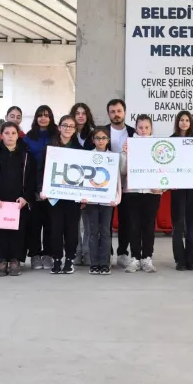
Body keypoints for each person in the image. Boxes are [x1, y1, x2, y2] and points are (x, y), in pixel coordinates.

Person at [0, 122, 37, 276]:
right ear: (1, 135)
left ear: (18, 135)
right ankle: (2, 260)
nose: (10, 136)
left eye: (13, 133)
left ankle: (15, 260)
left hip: (18, 202)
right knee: (1, 232)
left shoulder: (25, 153)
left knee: (18, 232)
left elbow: (32, 178)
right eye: (7, 133)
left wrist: (26, 197)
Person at [122, 115, 163, 273]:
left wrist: (161, 188)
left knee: (148, 226)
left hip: (152, 193)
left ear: (151, 128)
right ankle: (135, 258)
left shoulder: (159, 145)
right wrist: (125, 154)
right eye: (140, 127)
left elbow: (165, 169)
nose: (143, 130)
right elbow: (123, 171)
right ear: (136, 128)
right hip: (132, 192)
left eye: (146, 127)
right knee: (133, 226)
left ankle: (147, 258)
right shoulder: (129, 145)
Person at [43, 115, 83, 274]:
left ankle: (69, 259)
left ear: (75, 130)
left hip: (73, 197)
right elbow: (42, 170)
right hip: (54, 197)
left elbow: (84, 175)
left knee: (72, 230)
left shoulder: (80, 150)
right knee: (55, 229)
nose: (67, 128)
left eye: (71, 126)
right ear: (59, 127)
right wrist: (42, 188)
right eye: (65, 125)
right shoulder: (50, 147)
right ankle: (57, 259)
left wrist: (84, 194)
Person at [83, 126, 122, 275]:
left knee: (105, 232)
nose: (101, 141)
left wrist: (117, 198)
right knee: (93, 232)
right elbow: (84, 178)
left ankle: (105, 263)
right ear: (93, 140)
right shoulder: (87, 156)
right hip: (91, 201)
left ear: (108, 140)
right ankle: (94, 263)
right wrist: (83, 197)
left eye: (103, 138)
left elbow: (117, 179)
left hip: (108, 201)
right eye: (98, 138)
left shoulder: (113, 156)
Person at [102, 99, 136, 266]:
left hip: (127, 183)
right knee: (106, 220)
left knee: (126, 220)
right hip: (105, 182)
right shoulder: (101, 132)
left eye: (119, 111)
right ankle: (106, 253)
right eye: (112, 111)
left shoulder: (134, 132)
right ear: (108, 114)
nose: (116, 114)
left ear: (124, 112)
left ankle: (123, 252)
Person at [170, 110, 193, 271]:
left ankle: (191, 259)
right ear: (177, 122)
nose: (184, 122)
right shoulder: (171, 141)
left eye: (187, 120)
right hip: (177, 187)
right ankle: (180, 260)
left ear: (191, 123)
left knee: (191, 224)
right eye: (181, 120)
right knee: (178, 223)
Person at [25, 105, 56, 270]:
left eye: (46, 115)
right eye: (40, 115)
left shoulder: (56, 135)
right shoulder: (29, 137)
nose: (43, 118)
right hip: (33, 184)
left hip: (53, 184)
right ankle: (35, 255)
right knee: (35, 223)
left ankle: (48, 254)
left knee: (51, 222)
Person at [70, 102, 97, 266]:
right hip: (71, 183)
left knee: (88, 221)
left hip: (89, 183)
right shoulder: (67, 134)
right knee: (73, 221)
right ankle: (76, 251)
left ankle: (87, 251)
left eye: (83, 113)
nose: (80, 116)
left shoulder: (93, 135)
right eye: (77, 113)